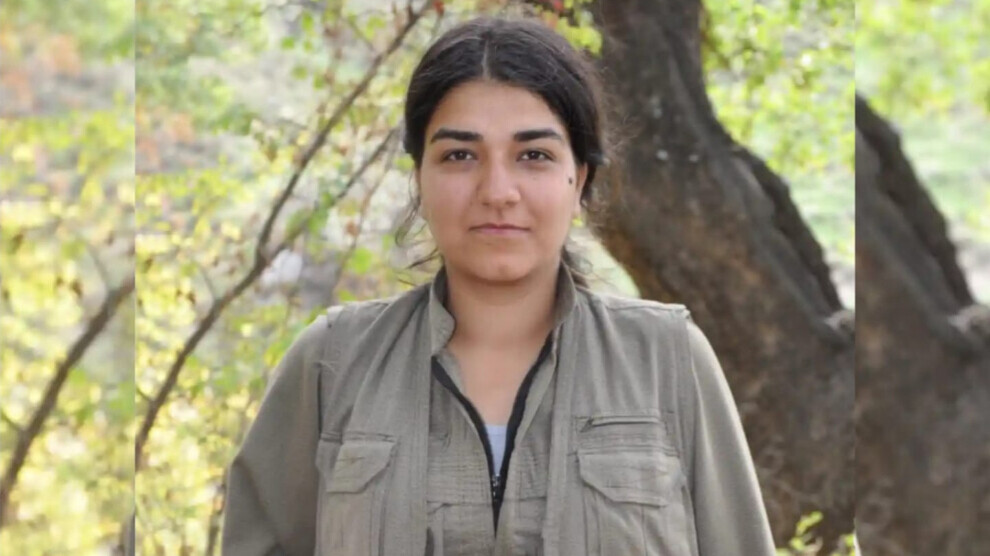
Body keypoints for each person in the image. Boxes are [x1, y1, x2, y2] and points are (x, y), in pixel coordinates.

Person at [221, 15, 776, 556]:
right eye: (460, 155)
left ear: (578, 178)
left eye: (534, 155)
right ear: (420, 178)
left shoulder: (666, 360)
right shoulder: (333, 364)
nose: (497, 191)